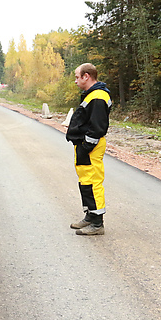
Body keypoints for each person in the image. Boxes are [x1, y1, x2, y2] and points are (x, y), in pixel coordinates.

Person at [65, 63, 112, 235]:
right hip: (85, 146)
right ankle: (90, 216)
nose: (76, 81)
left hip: (90, 146)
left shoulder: (98, 96)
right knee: (85, 181)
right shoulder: (92, 95)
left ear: (86, 76)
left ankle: (97, 224)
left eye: (77, 77)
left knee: (93, 182)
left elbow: (98, 127)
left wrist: (86, 147)